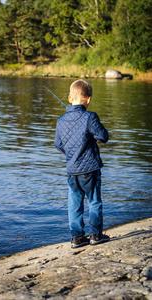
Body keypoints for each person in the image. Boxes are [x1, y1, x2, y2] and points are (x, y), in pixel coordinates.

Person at [54, 79, 109, 248]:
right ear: (88, 99)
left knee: (74, 203)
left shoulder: (61, 120)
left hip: (72, 170)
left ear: (70, 98)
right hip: (90, 168)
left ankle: (76, 238)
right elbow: (103, 136)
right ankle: (95, 235)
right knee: (94, 201)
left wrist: (71, 155)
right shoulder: (90, 116)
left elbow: (58, 145)